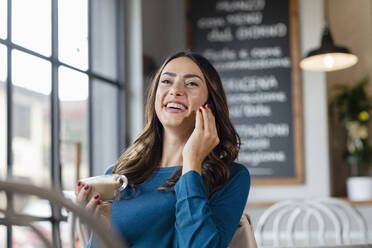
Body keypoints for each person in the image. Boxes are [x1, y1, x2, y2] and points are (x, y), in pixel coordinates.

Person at [76, 51, 251, 248]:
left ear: (210, 104)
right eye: (166, 81)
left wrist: (192, 162)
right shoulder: (117, 176)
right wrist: (101, 230)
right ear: (155, 96)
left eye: (191, 83)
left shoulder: (230, 177)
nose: (175, 90)